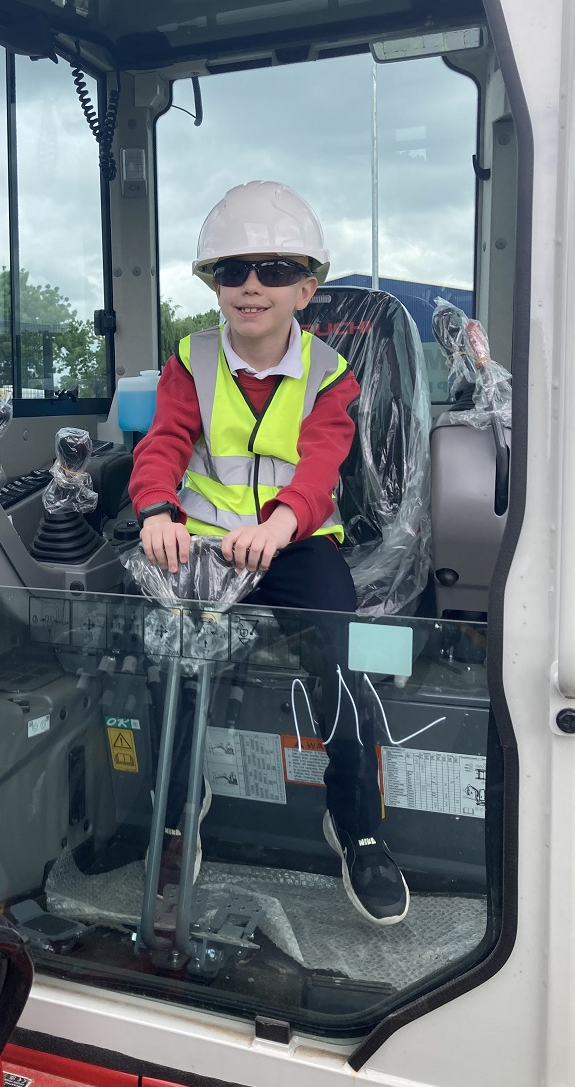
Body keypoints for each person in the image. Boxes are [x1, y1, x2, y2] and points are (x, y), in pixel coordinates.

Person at [128, 181, 409, 926]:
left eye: (276, 270)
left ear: (306, 288)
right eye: (233, 269)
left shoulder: (328, 373)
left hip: (294, 542)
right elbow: (162, 444)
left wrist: (281, 524)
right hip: (207, 545)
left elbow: (322, 466)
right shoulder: (189, 359)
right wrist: (156, 508)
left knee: (341, 651)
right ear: (214, 285)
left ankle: (356, 821)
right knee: (168, 647)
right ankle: (179, 807)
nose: (252, 285)